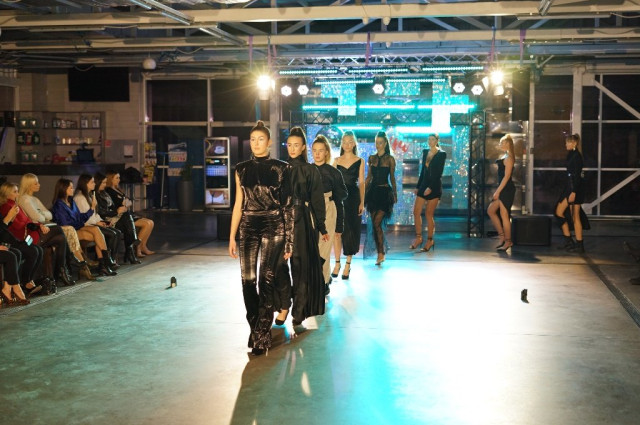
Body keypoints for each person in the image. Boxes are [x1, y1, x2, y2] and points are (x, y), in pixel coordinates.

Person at [228, 121, 294, 356]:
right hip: (248, 226)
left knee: (266, 280)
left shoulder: (282, 168)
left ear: (269, 142)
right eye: (253, 139)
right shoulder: (241, 169)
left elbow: (288, 207)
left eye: (261, 139)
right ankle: (256, 327)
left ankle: (261, 336)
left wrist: (289, 240)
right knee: (247, 281)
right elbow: (238, 204)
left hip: (274, 225)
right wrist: (232, 236)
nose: (256, 143)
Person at [278, 126, 327, 328]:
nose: (292, 148)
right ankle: (284, 304)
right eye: (289, 145)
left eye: (296, 145)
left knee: (300, 266)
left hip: (301, 220)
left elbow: (317, 200)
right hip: (281, 220)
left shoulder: (310, 170)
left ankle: (298, 310)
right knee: (279, 265)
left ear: (303, 147)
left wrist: (322, 226)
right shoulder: (280, 169)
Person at [18, 173, 90, 283]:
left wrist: (41, 214)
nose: (39, 185)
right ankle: (69, 261)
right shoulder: (25, 199)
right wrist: (41, 215)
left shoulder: (35, 199)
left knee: (61, 238)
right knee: (63, 229)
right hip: (33, 235)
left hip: (43, 229)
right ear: (28, 185)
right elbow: (38, 217)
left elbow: (49, 215)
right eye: (35, 183)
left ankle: (62, 271)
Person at [51, 178, 117, 276]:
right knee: (97, 233)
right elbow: (66, 224)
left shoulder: (71, 201)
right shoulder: (58, 205)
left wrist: (92, 208)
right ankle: (105, 263)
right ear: (63, 189)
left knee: (96, 232)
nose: (73, 189)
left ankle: (104, 265)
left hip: (77, 228)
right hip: (68, 232)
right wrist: (83, 224)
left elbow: (80, 217)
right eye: (70, 188)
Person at [312, 134, 347, 293]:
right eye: (314, 150)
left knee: (324, 248)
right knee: (314, 249)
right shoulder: (308, 170)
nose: (317, 153)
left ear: (326, 152)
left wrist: (340, 225)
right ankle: (324, 278)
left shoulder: (334, 172)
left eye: (321, 150)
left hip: (329, 209)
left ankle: (323, 281)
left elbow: (340, 199)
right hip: (311, 210)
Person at [0, 182, 47, 294]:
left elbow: (27, 220)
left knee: (39, 250)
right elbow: (16, 225)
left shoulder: (16, 205)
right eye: (15, 192)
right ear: (7, 194)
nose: (18, 194)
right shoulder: (6, 206)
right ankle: (24, 281)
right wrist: (16, 219)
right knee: (33, 251)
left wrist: (38, 225)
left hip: (23, 237)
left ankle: (29, 280)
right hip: (15, 238)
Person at [332, 130, 365, 280]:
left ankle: (347, 265)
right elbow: (331, 181)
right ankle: (337, 263)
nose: (347, 144)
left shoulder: (360, 160)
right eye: (344, 142)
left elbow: (362, 183)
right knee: (337, 231)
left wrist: (362, 202)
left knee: (351, 230)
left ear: (354, 144)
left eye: (350, 142)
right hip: (339, 198)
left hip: (353, 198)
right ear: (341, 143)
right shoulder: (336, 161)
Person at [74, 174, 122, 270]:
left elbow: (95, 214)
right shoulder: (80, 197)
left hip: (93, 223)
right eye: (92, 182)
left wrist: (101, 221)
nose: (94, 184)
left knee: (117, 232)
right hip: (86, 225)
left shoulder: (90, 195)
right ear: (85, 184)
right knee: (111, 234)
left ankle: (110, 260)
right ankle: (107, 262)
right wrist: (97, 223)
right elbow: (85, 217)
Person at [364, 131, 397, 265]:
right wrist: (362, 193)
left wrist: (395, 194)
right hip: (373, 193)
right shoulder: (371, 158)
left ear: (385, 143)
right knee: (374, 225)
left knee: (377, 223)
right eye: (376, 143)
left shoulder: (390, 159)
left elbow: (392, 178)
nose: (378, 145)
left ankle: (381, 253)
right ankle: (380, 253)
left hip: (384, 194)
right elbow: (368, 178)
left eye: (380, 142)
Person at [94, 172, 141, 265]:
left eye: (105, 182)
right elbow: (101, 212)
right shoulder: (95, 195)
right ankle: (131, 246)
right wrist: (117, 211)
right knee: (126, 223)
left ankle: (130, 250)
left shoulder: (104, 193)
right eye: (103, 183)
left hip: (113, 216)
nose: (104, 184)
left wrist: (119, 209)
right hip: (105, 218)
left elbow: (113, 205)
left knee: (126, 221)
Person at [105, 171, 154, 258]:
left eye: (119, 178)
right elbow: (119, 204)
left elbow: (128, 201)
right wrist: (124, 203)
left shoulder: (118, 189)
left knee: (151, 222)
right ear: (111, 179)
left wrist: (125, 203)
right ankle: (138, 248)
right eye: (116, 178)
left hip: (127, 214)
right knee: (146, 224)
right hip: (120, 218)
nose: (119, 180)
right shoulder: (109, 191)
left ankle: (143, 246)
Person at [412, 133, 446, 252]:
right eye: (429, 139)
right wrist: (418, 186)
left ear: (437, 141)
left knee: (428, 214)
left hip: (434, 186)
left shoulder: (441, 154)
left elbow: (439, 173)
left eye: (432, 139)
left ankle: (430, 240)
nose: (430, 141)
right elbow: (423, 171)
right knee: (416, 212)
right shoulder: (425, 152)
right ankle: (419, 238)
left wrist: (430, 187)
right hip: (423, 185)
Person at [555, 133, 587, 253]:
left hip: (575, 189)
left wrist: (573, 192)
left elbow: (577, 176)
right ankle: (571, 241)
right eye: (566, 142)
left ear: (574, 143)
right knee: (563, 214)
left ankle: (578, 244)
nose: (566, 144)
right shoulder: (572, 155)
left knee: (573, 216)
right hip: (571, 187)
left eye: (568, 142)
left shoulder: (577, 156)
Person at [487, 134, 516, 252]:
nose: (501, 144)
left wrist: (498, 191)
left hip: (507, 189)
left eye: (503, 142)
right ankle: (502, 236)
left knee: (504, 215)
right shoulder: (505, 156)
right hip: (503, 188)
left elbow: (507, 176)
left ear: (509, 144)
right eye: (501, 142)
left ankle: (508, 241)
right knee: (491, 210)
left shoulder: (509, 158)